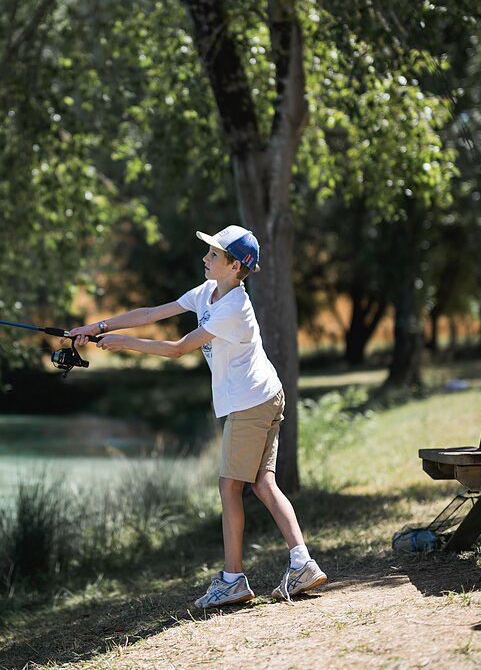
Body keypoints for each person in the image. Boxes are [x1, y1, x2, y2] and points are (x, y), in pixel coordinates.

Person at [69, 224, 327, 608]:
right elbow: (154, 312)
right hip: (264, 395)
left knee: (230, 486)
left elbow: (178, 349)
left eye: (213, 255)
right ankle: (301, 563)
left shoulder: (232, 308)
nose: (205, 259)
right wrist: (98, 326)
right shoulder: (208, 292)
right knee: (262, 484)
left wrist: (122, 344)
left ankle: (233, 579)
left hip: (250, 403)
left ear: (235, 266)